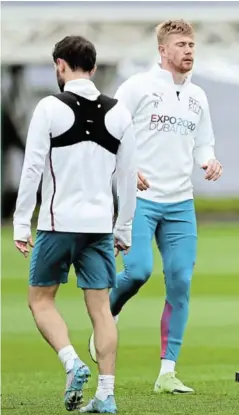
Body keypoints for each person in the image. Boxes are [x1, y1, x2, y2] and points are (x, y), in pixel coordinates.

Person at [88, 19, 223, 394]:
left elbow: (203, 143)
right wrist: (126, 171)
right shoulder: (137, 88)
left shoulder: (198, 96)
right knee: (138, 272)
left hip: (181, 203)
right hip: (142, 200)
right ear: (162, 50)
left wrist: (208, 162)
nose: (189, 51)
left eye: (192, 44)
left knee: (180, 281)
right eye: (181, 44)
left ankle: (167, 372)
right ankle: (107, 316)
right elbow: (107, 131)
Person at [13, 35, 137, 413]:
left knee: (41, 300)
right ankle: (107, 393)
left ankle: (71, 361)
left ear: (60, 66)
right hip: (100, 226)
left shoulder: (49, 107)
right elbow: (127, 177)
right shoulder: (119, 112)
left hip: (57, 222)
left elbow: (32, 166)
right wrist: (124, 228)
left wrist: (21, 223)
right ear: (94, 68)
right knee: (101, 309)